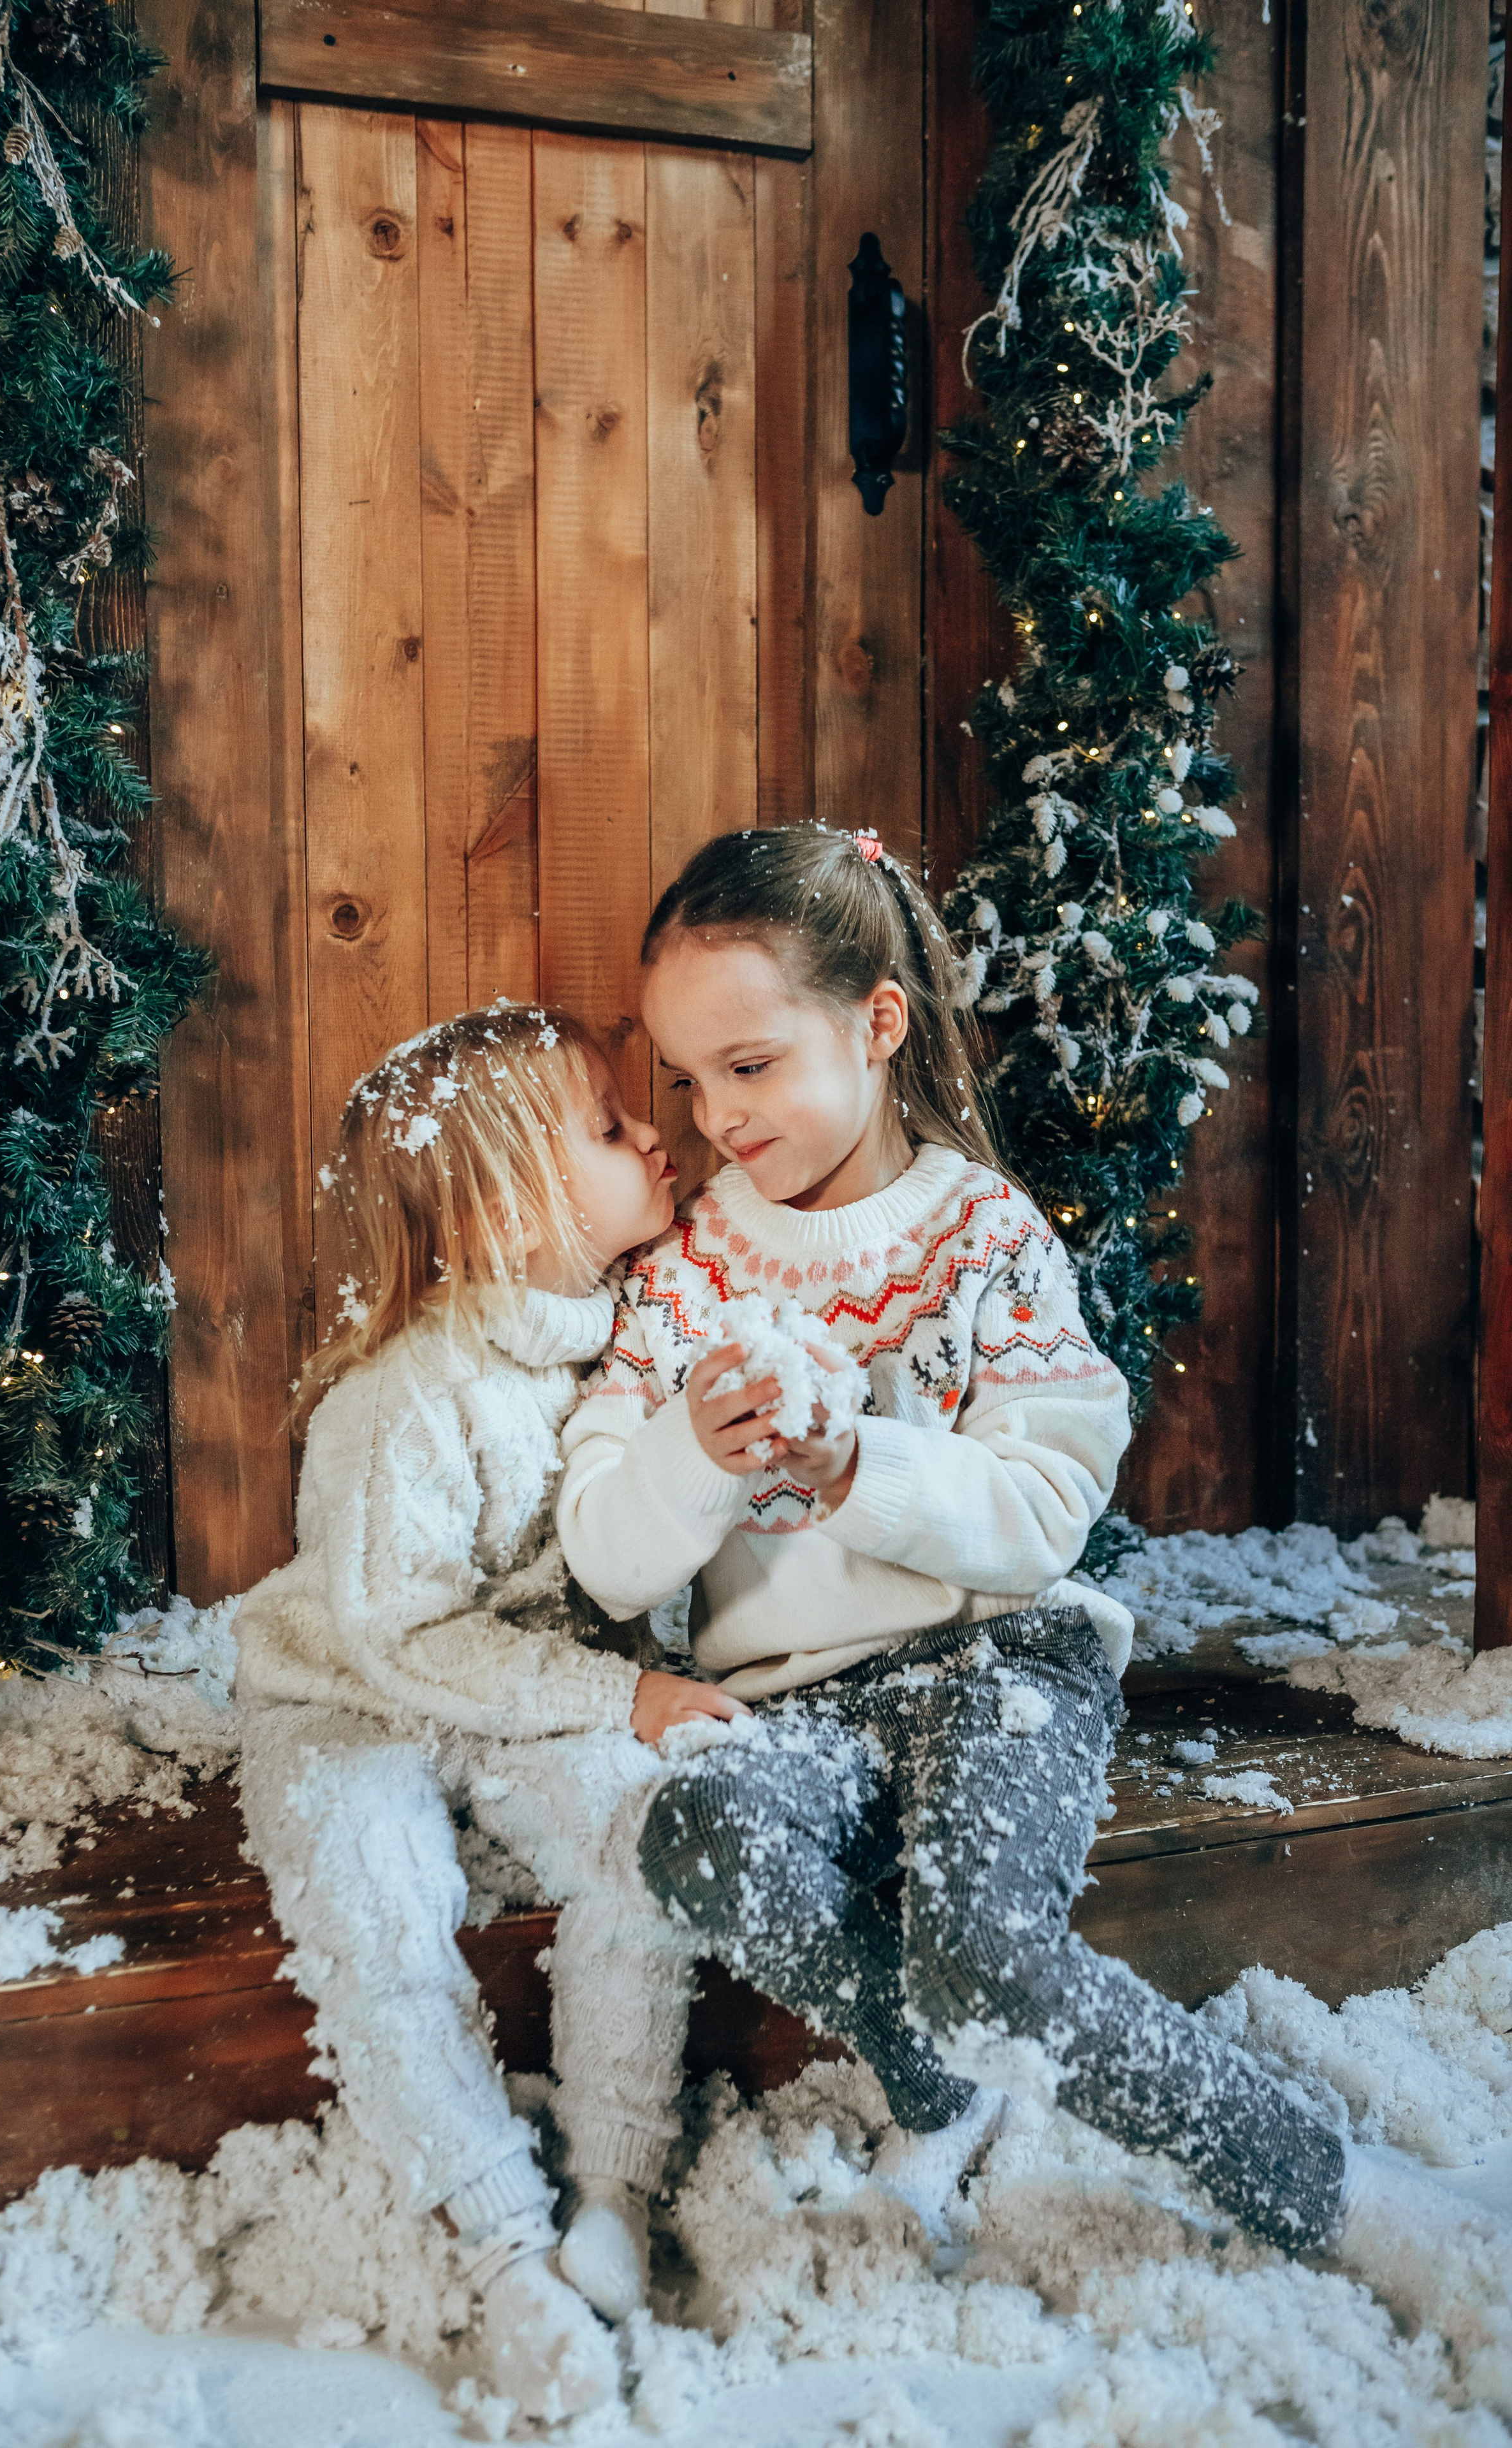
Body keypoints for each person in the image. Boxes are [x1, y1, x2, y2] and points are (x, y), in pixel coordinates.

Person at [557, 823, 1512, 2315]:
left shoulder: (983, 1239)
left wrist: (852, 1463)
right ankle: (937, 2084)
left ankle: (1333, 2187)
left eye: (748, 1066)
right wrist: (694, 1446)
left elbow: (1046, 1503)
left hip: (997, 1664)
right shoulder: (685, 1282)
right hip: (789, 1698)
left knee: (990, 1952)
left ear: (876, 1024)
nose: (711, 1115)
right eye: (685, 1080)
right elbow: (609, 1561)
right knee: (695, 1838)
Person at [232, 1007, 739, 2422]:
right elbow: (404, 1641)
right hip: (350, 1694)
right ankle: (503, 2241)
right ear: (509, 1201)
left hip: (508, 1688)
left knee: (645, 1843)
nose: (655, 1134)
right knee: (374, 1903)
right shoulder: (405, 1401)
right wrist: (618, 1692)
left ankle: (613, 2186)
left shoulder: (632, 1336)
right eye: (606, 1124)